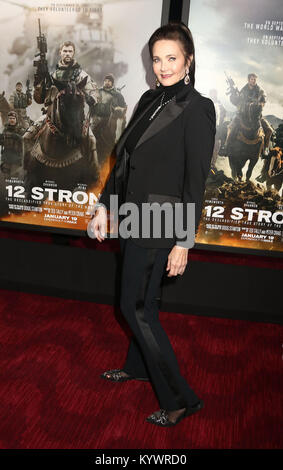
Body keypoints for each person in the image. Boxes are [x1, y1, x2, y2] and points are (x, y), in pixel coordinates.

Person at [90, 22, 216, 427]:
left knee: (136, 307)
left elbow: (195, 180)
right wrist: (104, 207)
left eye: (171, 59)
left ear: (188, 60)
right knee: (144, 299)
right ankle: (139, 366)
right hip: (131, 215)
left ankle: (181, 399)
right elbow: (122, 159)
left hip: (162, 222)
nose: (163, 67)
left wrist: (184, 241)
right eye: (157, 59)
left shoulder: (198, 108)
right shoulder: (149, 98)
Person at [222, 73, 272, 154]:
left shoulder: (260, 91)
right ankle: (226, 145)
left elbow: (263, 101)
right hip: (242, 115)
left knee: (269, 130)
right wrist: (233, 94)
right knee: (231, 126)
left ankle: (266, 149)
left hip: (256, 116)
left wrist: (258, 104)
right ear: (249, 80)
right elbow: (237, 102)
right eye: (252, 79)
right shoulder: (243, 90)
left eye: (255, 79)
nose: (253, 81)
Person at [91, 73, 127, 164]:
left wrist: (119, 109)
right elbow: (91, 103)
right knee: (92, 135)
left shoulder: (118, 95)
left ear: (112, 83)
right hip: (97, 118)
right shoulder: (98, 91)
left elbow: (123, 107)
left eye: (109, 81)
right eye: (106, 81)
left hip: (111, 119)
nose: (107, 82)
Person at [0, 110, 25, 177]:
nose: (12, 120)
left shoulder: (21, 129)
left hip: (16, 158)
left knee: (15, 178)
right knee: (6, 178)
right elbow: (2, 142)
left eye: (13, 118)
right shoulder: (5, 129)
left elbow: (25, 141)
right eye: (10, 118)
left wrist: (17, 136)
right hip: (6, 158)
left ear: (16, 119)